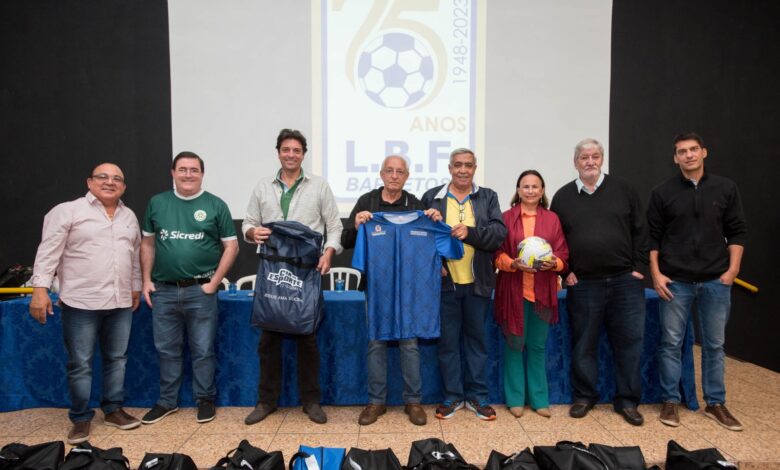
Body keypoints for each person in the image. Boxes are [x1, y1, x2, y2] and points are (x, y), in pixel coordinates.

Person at [29, 163, 142, 444]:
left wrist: (136, 288)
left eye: (117, 178)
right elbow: (47, 253)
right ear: (90, 182)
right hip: (81, 303)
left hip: (120, 302)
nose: (110, 182)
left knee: (117, 359)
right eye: (103, 177)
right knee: (80, 363)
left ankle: (113, 410)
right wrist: (39, 290)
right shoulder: (68, 211)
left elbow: (135, 255)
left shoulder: (129, 217)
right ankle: (80, 418)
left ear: (124, 187)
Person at [243, 128, 343, 425]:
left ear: (303, 154)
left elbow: (334, 226)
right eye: (286, 149)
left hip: (306, 272)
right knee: (268, 340)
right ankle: (266, 401)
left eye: (296, 150)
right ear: (278, 152)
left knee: (307, 341)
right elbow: (248, 222)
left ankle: (311, 402)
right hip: (272, 270)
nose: (291, 155)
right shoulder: (263, 187)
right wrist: (252, 232)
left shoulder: (319, 186)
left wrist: (328, 253)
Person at [648, 132, 747, 431]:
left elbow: (738, 231)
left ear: (704, 152)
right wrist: (656, 273)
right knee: (671, 343)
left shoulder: (726, 188)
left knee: (715, 345)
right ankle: (670, 401)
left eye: (693, 150)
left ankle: (715, 403)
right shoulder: (662, 192)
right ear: (675, 158)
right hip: (675, 281)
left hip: (716, 280)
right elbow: (652, 237)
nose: (688, 155)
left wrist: (732, 272)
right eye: (682, 151)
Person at [550, 138, 648, 426]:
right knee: (583, 344)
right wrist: (563, 270)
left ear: (601, 159)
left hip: (625, 282)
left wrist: (639, 268)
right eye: (584, 157)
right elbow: (558, 241)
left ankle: (628, 401)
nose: (590, 161)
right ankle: (584, 397)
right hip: (584, 284)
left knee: (629, 343)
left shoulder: (624, 190)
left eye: (595, 156)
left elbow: (641, 231)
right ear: (575, 162)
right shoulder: (563, 196)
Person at [140, 151, 238, 425]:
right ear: (172, 172)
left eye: (194, 170)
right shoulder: (157, 203)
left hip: (200, 291)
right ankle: (167, 402)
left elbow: (231, 245)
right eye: (182, 169)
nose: (188, 174)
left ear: (202, 174)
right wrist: (146, 280)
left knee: (203, 349)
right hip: (164, 290)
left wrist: (214, 283)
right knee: (167, 349)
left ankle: (204, 399)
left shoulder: (215, 204)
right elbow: (147, 243)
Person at [344, 155, 442, 426]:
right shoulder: (367, 202)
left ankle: (413, 401)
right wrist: (356, 224)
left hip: (409, 287)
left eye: (400, 171)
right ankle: (376, 402)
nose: (395, 176)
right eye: (390, 170)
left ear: (407, 176)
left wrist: (433, 220)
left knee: (409, 342)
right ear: (381, 173)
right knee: (376, 342)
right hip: (376, 287)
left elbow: (429, 243)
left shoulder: (415, 204)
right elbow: (346, 240)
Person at [422, 148, 507, 421]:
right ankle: (452, 397)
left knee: (477, 343)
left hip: (478, 283)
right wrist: (434, 264)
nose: (462, 170)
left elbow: (498, 234)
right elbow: (421, 239)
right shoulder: (432, 198)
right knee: (447, 345)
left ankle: (478, 397)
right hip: (444, 286)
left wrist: (470, 233)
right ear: (449, 168)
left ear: (475, 168)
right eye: (457, 165)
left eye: (468, 165)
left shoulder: (488, 196)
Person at [494, 170, 569, 418]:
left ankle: (539, 400)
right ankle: (515, 399)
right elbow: (497, 254)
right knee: (514, 345)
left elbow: (563, 252)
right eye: (525, 186)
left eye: (535, 186)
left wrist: (555, 264)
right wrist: (513, 264)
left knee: (537, 346)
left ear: (542, 190)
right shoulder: (505, 218)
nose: (530, 191)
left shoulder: (552, 219)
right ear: (517, 190)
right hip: (513, 291)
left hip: (542, 293)